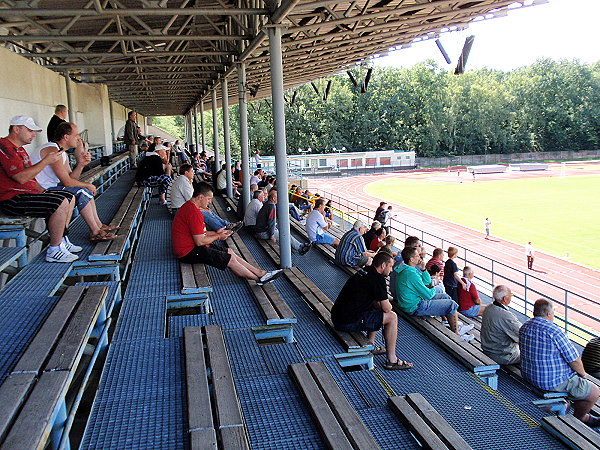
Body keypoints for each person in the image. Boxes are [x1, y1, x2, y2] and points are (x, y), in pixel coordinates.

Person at [0, 115, 81, 263]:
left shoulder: (21, 150)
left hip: (24, 195)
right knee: (60, 201)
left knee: (69, 196)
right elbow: (21, 178)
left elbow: (31, 179)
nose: (33, 134)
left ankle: (62, 241)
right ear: (16, 129)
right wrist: (46, 161)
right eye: (30, 130)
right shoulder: (3, 147)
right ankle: (54, 249)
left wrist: (45, 192)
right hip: (9, 199)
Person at [172, 182, 282, 285]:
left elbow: (200, 233)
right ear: (200, 197)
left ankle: (260, 273)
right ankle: (259, 279)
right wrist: (218, 236)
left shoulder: (189, 206)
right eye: (209, 199)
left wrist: (216, 233)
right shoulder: (194, 213)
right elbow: (200, 241)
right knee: (230, 259)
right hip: (187, 252)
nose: (210, 202)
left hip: (191, 246)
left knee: (229, 251)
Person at [520, 299, 600, 427]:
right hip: (550, 382)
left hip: (528, 375)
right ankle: (580, 419)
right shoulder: (554, 331)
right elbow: (574, 360)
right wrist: (583, 375)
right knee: (594, 391)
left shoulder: (525, 326)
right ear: (548, 314)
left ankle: (568, 406)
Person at [31, 122, 117, 242]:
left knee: (84, 190)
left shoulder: (62, 152)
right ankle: (95, 231)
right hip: (40, 190)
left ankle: (98, 225)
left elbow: (72, 178)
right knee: (82, 190)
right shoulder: (52, 149)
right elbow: (67, 182)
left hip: (50, 188)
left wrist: (81, 164)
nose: (79, 138)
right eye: (76, 135)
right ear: (66, 137)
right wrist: (87, 184)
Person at [332, 252, 414, 371]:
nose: (391, 270)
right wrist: (386, 307)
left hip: (338, 317)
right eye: (390, 266)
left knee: (375, 307)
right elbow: (387, 308)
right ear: (383, 265)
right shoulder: (377, 278)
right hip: (346, 322)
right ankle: (392, 360)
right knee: (392, 317)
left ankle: (370, 343)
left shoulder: (365, 271)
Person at [393, 246, 474, 342]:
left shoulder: (408, 269)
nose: (420, 258)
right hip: (414, 307)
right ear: (411, 259)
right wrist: (434, 287)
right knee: (451, 304)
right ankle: (457, 336)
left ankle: (447, 322)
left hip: (411, 302)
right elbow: (428, 294)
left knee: (446, 296)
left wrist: (423, 270)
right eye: (417, 256)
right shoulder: (410, 274)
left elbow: (426, 282)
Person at [254, 189, 311, 255]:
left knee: (285, 234)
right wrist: (272, 236)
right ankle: (299, 248)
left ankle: (298, 247)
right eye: (277, 197)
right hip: (262, 233)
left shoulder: (267, 204)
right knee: (284, 234)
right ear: (273, 198)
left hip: (261, 230)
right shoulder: (272, 206)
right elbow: (271, 223)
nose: (278, 199)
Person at [480, 285, 521, 365]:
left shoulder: (488, 308)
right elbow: (522, 335)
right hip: (503, 356)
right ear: (505, 299)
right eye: (510, 296)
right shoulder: (506, 316)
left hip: (487, 350)